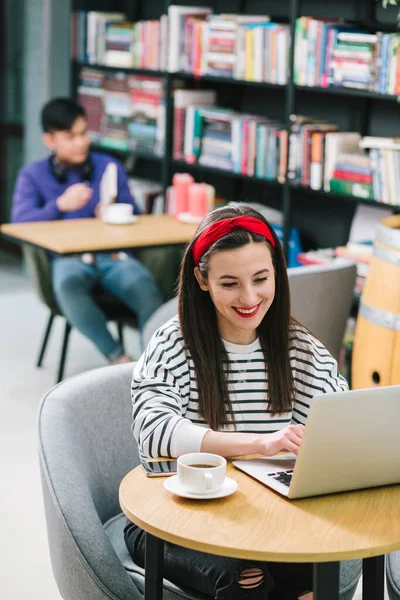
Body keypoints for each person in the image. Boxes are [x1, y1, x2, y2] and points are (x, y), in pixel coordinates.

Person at [124, 205, 355, 599]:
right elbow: (154, 431)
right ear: (202, 279)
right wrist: (261, 443)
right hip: (176, 519)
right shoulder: (173, 342)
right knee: (245, 577)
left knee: (310, 572)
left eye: (261, 279)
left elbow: (341, 423)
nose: (249, 297)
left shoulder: (298, 348)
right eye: (229, 283)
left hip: (265, 517)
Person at [11, 97, 163, 364]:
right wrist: (59, 205)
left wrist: (115, 210)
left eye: (83, 133)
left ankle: (156, 362)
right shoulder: (32, 175)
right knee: (68, 284)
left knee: (144, 286)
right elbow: (20, 222)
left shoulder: (108, 167)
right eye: (70, 136)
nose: (80, 142)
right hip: (68, 260)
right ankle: (118, 359)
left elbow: (135, 213)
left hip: (113, 255)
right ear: (50, 140)